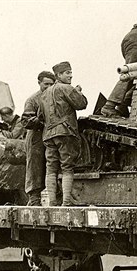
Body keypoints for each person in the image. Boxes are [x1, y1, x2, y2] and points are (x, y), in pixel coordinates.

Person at [39, 62, 88, 206]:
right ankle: (66, 202)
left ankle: (52, 202)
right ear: (58, 75)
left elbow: (40, 115)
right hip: (65, 132)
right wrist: (77, 92)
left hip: (48, 135)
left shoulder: (44, 94)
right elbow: (82, 104)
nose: (70, 75)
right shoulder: (66, 88)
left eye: (70, 72)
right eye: (67, 72)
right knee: (67, 167)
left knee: (51, 167)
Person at [21, 71, 56, 206]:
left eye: (51, 84)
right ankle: (34, 198)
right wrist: (40, 120)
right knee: (35, 166)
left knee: (52, 164)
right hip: (36, 137)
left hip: (51, 136)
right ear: (39, 83)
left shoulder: (55, 97)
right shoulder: (33, 100)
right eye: (45, 84)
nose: (48, 87)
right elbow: (25, 121)